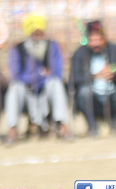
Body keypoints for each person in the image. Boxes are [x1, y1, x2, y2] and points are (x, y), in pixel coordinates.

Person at [4, 13, 71, 143]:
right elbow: (15, 74)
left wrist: (42, 77)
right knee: (14, 88)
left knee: (56, 84)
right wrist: (37, 75)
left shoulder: (52, 46)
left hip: (46, 90)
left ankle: (63, 126)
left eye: (40, 33)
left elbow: (57, 71)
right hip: (27, 91)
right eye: (34, 33)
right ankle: (12, 129)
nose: (37, 36)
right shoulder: (18, 49)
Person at [69, 20, 116, 135]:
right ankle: (92, 126)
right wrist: (95, 76)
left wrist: (112, 75)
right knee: (84, 92)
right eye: (92, 40)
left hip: (112, 95)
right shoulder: (79, 54)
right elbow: (74, 79)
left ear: (104, 38)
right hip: (92, 98)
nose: (96, 44)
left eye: (98, 39)